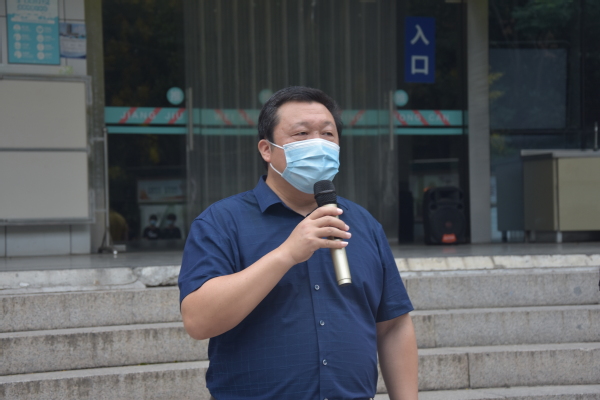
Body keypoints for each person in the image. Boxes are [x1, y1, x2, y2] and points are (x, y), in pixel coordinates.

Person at [179, 86, 418, 400]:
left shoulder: (364, 224)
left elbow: (393, 325)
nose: (317, 143)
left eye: (327, 134)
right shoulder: (222, 221)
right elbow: (198, 321)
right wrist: (286, 254)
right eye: (302, 133)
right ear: (267, 149)